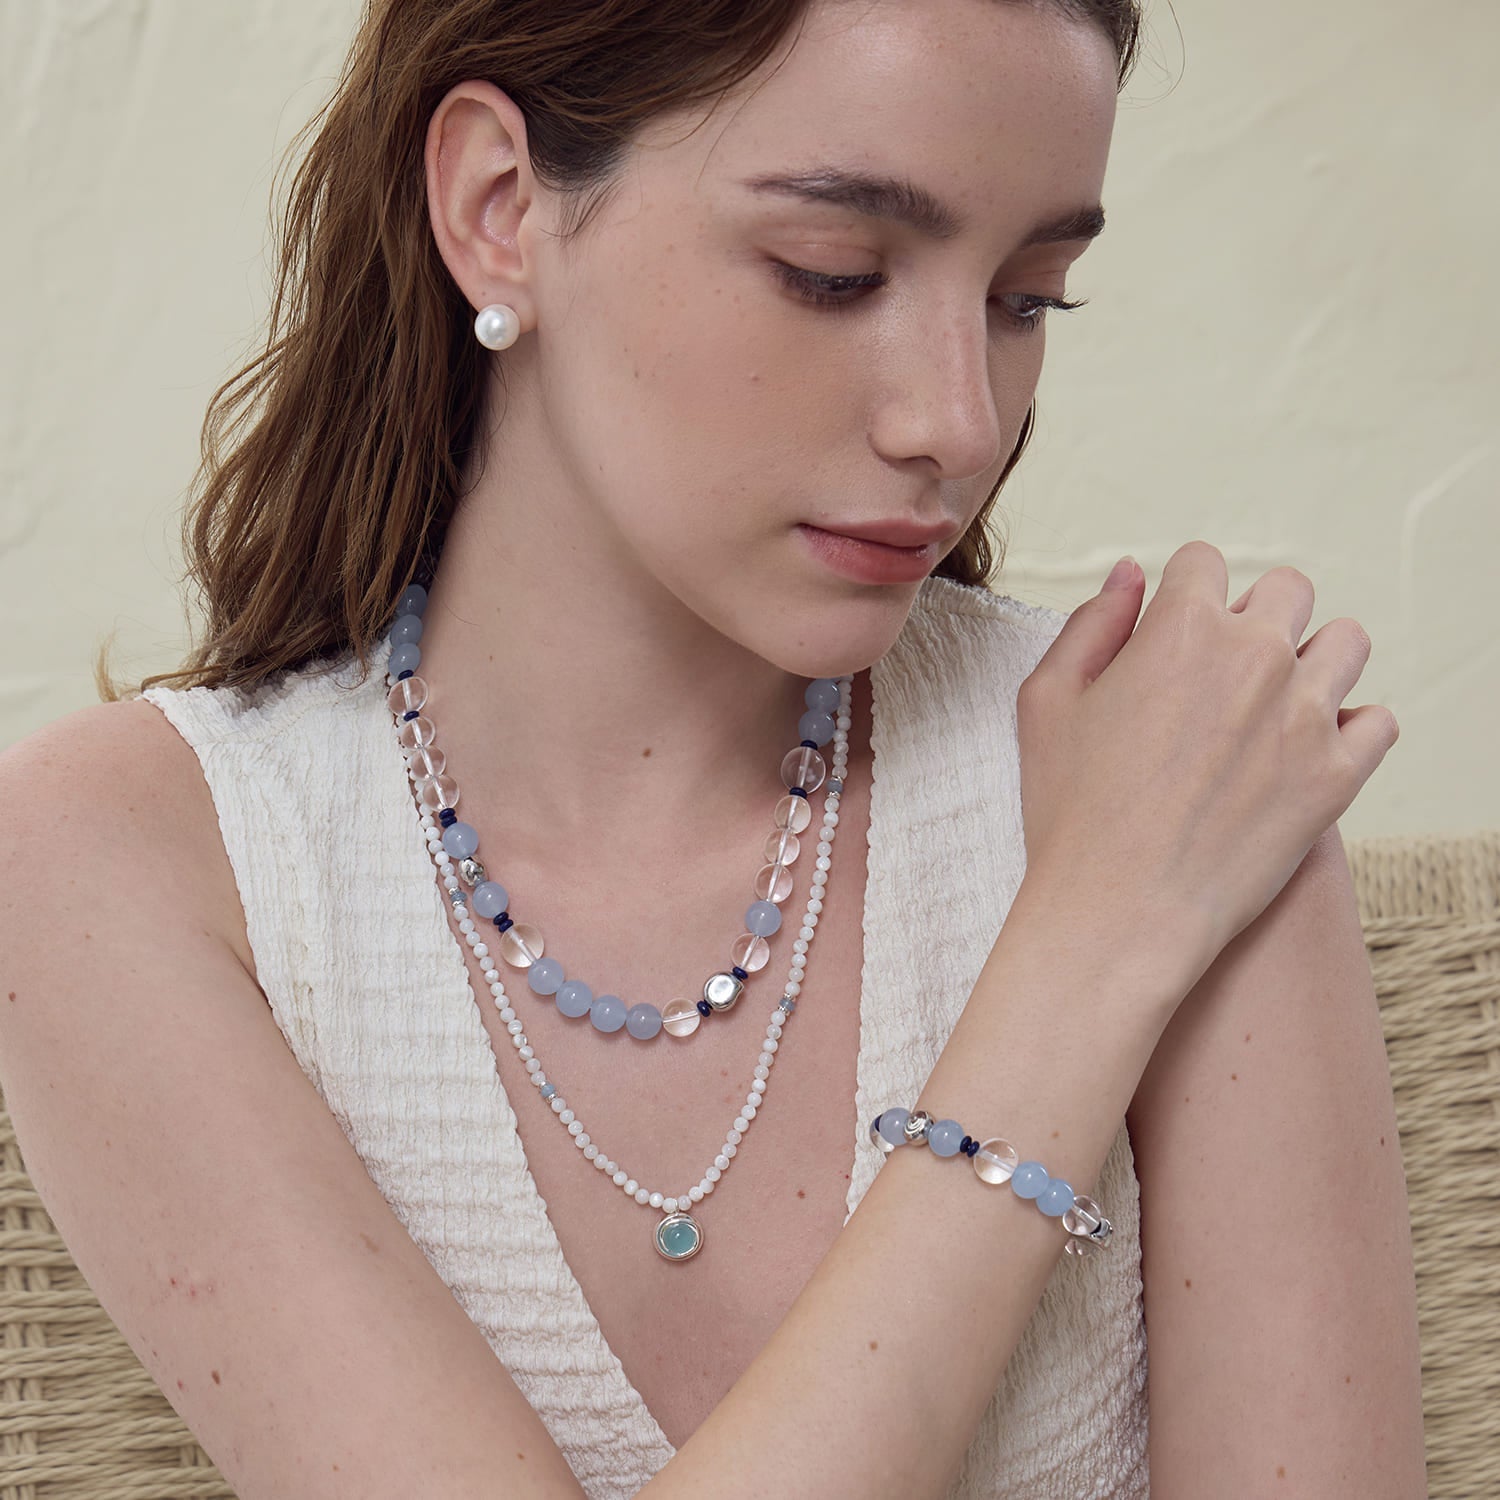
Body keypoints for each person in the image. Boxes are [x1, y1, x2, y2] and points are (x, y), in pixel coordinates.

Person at [0, 0, 1426, 1496]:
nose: (958, 422)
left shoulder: (1175, 769)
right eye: (834, 274)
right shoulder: (132, 860)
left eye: (1029, 300)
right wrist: (1092, 949)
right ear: (498, 208)